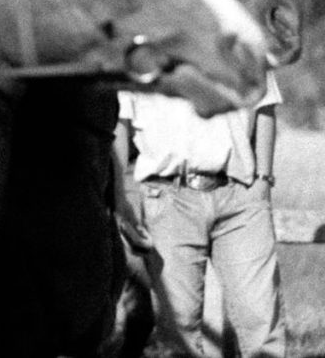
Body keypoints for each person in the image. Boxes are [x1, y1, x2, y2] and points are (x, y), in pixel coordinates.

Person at [113, 72, 286, 358]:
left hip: (240, 197)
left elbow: (265, 104)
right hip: (169, 196)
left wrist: (263, 179)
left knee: (262, 319)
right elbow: (121, 119)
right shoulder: (142, 43)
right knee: (179, 329)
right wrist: (121, 197)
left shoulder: (241, 33)